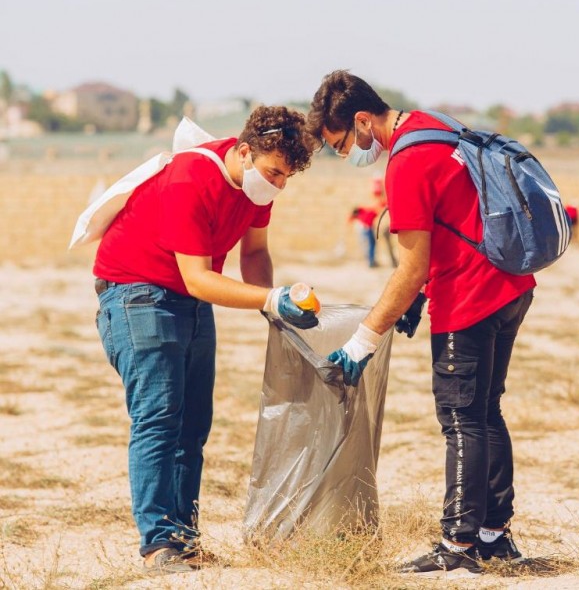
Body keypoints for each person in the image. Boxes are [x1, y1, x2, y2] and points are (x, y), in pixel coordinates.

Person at [307, 71, 536, 577]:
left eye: (343, 143)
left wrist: (364, 340)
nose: (347, 155)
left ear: (363, 121)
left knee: (460, 420)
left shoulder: (407, 162)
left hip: (470, 299)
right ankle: (495, 536)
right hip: (512, 287)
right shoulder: (435, 125)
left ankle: (457, 544)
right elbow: (456, 219)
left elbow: (409, 267)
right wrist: (421, 292)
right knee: (486, 410)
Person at [93, 106, 318, 574]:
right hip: (139, 295)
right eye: (274, 172)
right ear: (243, 150)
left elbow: (254, 253)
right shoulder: (191, 177)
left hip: (187, 300)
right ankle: (158, 546)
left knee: (193, 425)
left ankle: (183, 540)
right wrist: (272, 299)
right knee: (158, 419)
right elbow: (197, 278)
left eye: (287, 177)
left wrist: (272, 308)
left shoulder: (259, 186)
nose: (278, 184)